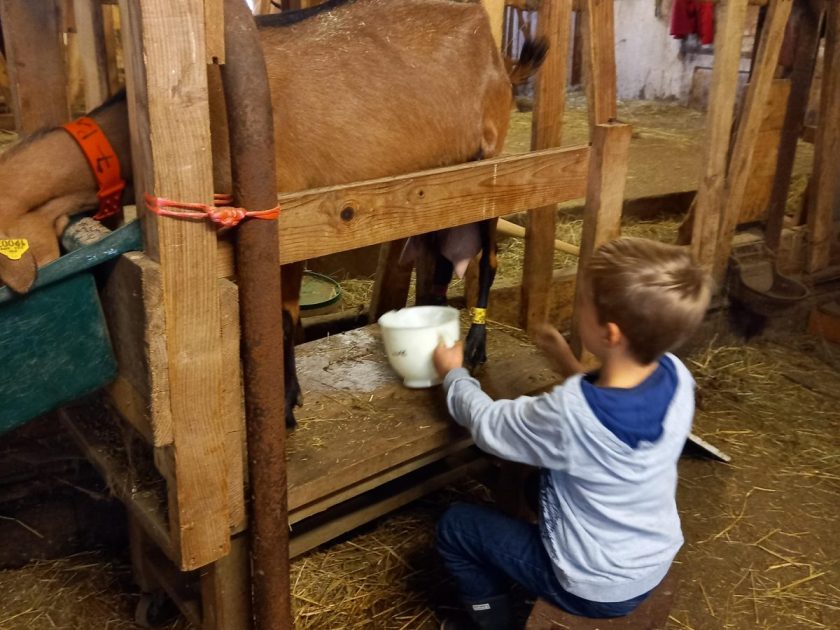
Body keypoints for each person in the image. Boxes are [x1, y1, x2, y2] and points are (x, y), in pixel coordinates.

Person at [431, 237, 713, 630]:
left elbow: (488, 426)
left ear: (610, 335)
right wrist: (565, 360)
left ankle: (490, 624)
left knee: (457, 526)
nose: (578, 307)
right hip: (649, 559)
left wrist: (454, 375)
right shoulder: (676, 374)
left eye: (583, 303)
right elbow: (613, 396)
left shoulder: (572, 413)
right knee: (536, 483)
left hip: (592, 585)